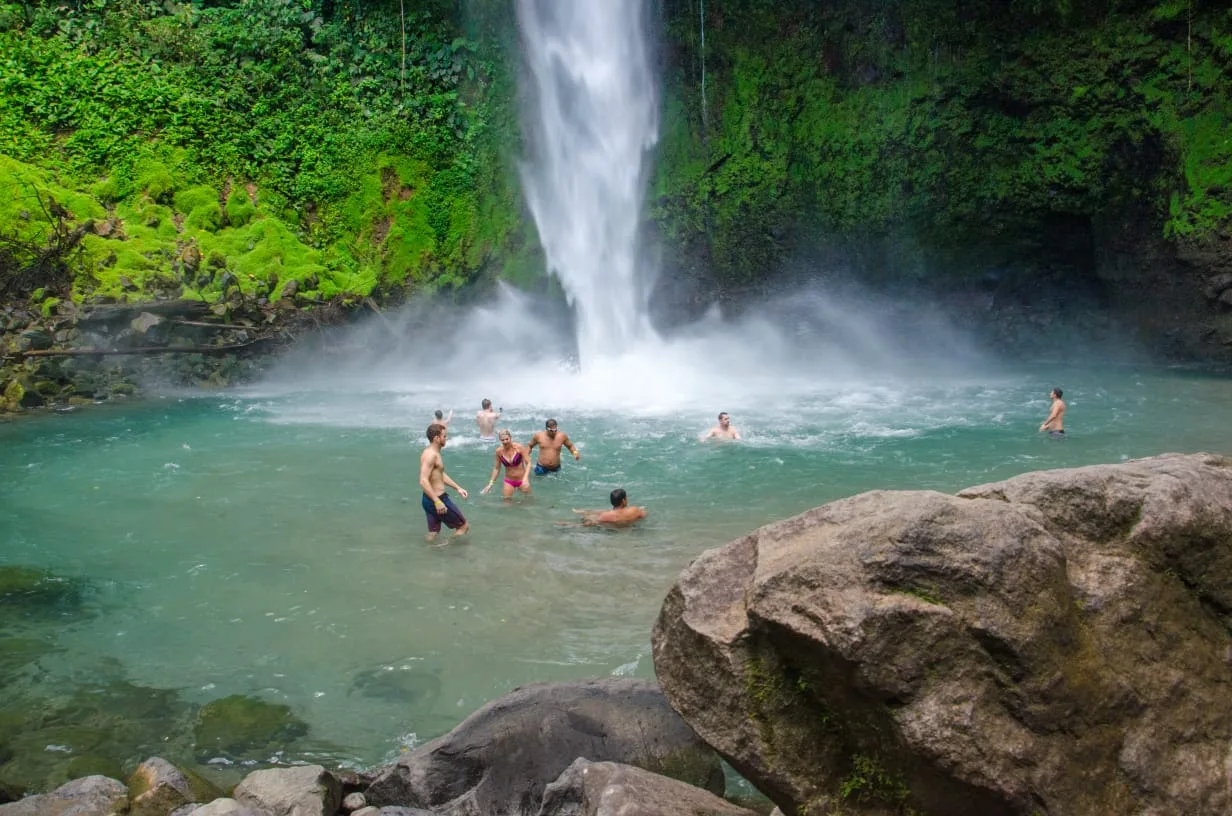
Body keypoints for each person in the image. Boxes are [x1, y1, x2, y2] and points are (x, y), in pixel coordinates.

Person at [419, 423, 468, 541]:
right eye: (444, 436)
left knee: (433, 532)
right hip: (438, 499)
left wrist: (457, 488)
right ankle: (447, 546)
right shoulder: (431, 455)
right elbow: (423, 480)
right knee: (463, 527)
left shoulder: (430, 453)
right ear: (437, 438)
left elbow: (439, 475)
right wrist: (437, 502)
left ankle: (429, 550)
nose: (446, 438)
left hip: (428, 499)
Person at [481, 429, 531, 499]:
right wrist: (490, 484)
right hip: (509, 481)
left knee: (528, 500)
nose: (505, 441)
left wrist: (525, 478)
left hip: (522, 480)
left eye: (507, 439)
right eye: (502, 440)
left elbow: (528, 463)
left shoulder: (519, 447)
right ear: (500, 440)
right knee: (506, 502)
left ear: (510, 438)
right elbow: (497, 468)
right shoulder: (499, 451)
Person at [573, 488, 647, 528]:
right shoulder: (635, 510)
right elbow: (644, 514)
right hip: (626, 527)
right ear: (623, 501)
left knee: (589, 517)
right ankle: (585, 511)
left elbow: (591, 523)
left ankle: (584, 512)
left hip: (612, 527)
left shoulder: (606, 516)